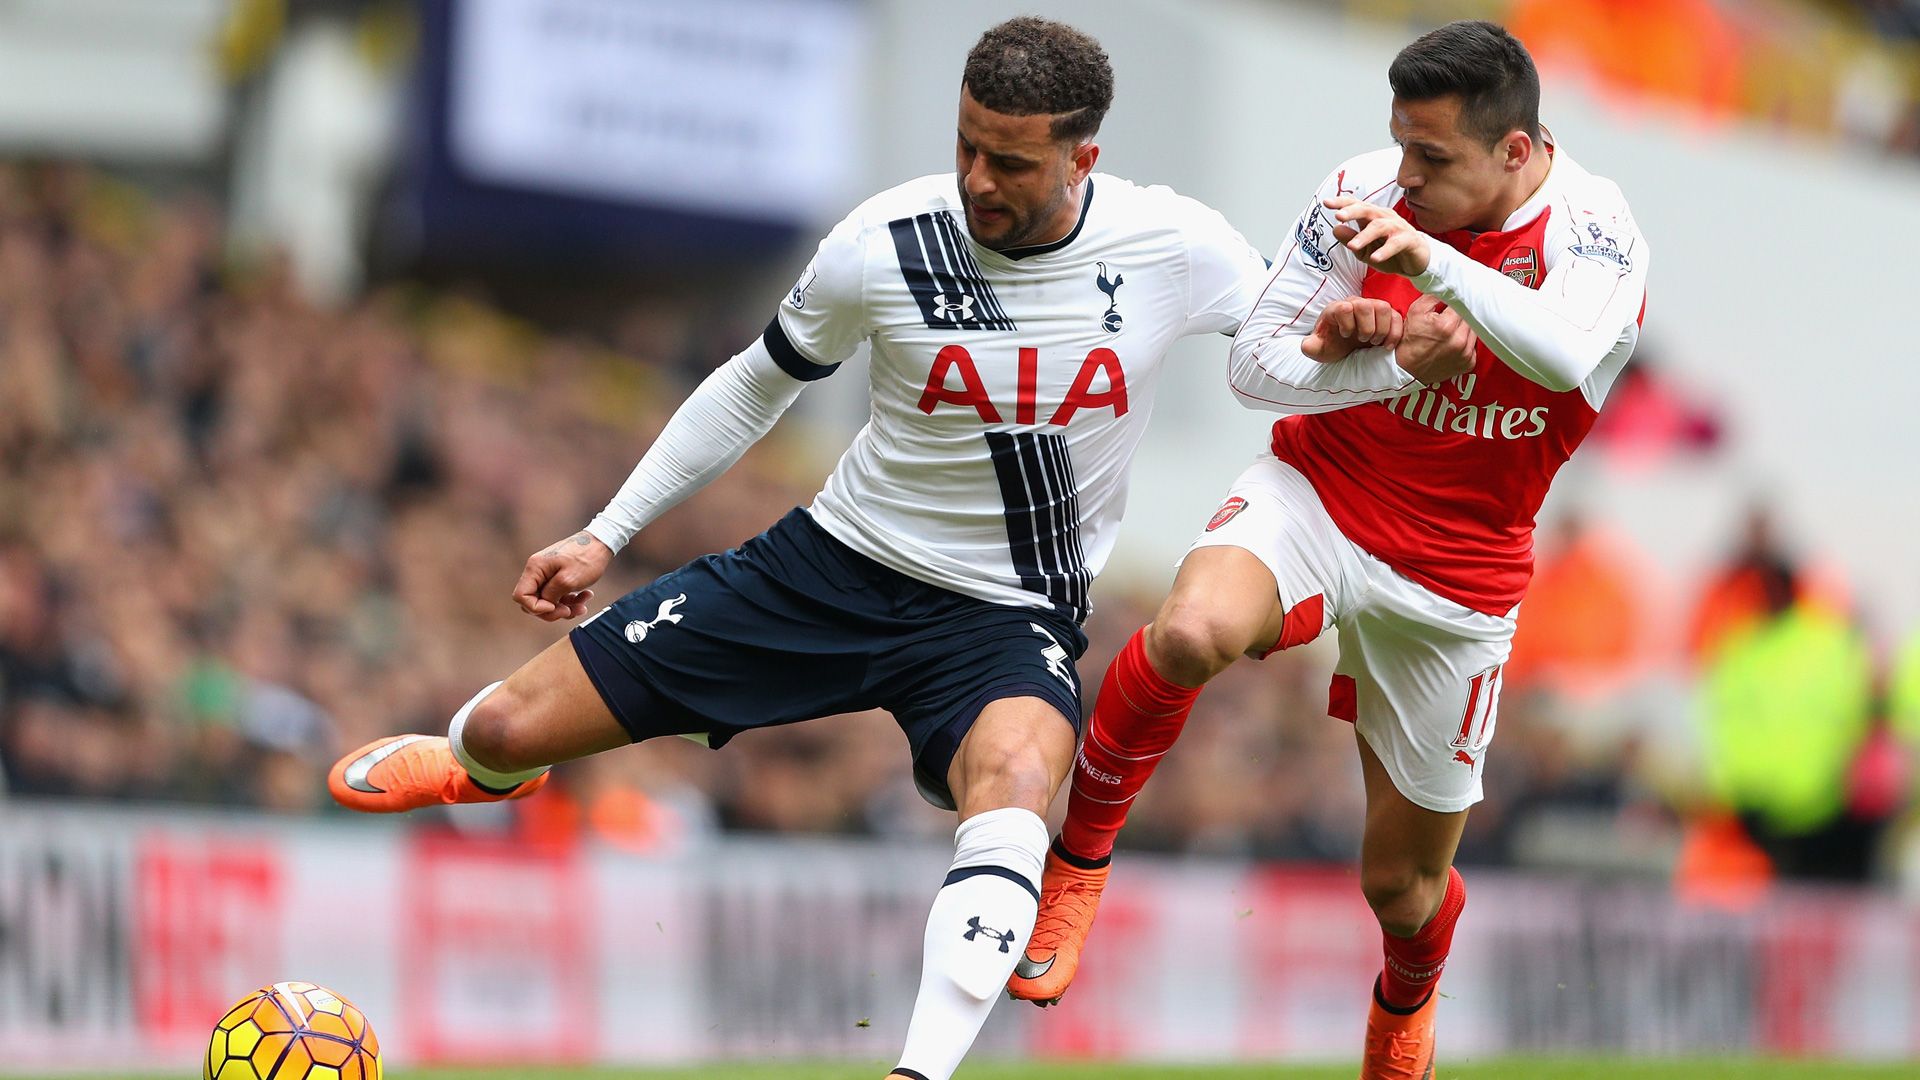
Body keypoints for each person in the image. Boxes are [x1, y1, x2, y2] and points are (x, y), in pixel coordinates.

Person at [324, 17, 1270, 1080]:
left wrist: (1383, 338)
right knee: (502, 724)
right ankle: (485, 773)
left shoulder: (1171, 246)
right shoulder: (888, 241)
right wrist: (604, 533)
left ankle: (921, 1070)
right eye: (965, 144)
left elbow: (1292, 338)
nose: (975, 177)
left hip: (1004, 617)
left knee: (1012, 789)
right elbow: (754, 383)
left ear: (1080, 159)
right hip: (827, 568)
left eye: (1008, 161)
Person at [1005, 20, 1650, 1080]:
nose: (1406, 178)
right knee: (1192, 629)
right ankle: (1076, 864)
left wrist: (1431, 267)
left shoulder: (1596, 229)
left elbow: (1567, 349)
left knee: (1399, 887)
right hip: (1325, 489)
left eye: (1434, 160)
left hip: (1461, 571)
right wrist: (1380, 361)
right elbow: (1256, 371)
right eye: (1402, 146)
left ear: (1517, 153)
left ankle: (1406, 999)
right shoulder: (1367, 192)